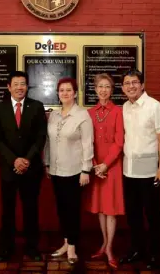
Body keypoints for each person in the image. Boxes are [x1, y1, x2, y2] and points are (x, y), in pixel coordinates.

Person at [0, 71, 47, 261]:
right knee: (8, 210)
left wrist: (27, 159)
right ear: (9, 87)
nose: (19, 87)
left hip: (31, 168)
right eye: (16, 84)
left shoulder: (37, 107)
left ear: (27, 86)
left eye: (23, 84)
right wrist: (14, 160)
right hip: (8, 168)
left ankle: (32, 247)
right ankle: (6, 247)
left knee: (31, 209)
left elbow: (41, 137)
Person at [119, 69, 160, 270]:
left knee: (153, 215)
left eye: (134, 82)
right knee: (133, 215)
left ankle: (155, 253)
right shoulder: (125, 107)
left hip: (149, 172)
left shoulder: (154, 106)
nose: (131, 86)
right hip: (129, 171)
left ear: (142, 85)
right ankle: (138, 249)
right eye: (127, 83)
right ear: (122, 88)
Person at [44, 77, 94, 264]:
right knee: (62, 209)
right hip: (56, 170)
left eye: (68, 90)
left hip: (75, 171)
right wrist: (47, 163)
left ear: (75, 93)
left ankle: (72, 248)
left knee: (72, 210)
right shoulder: (54, 115)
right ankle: (65, 242)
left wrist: (86, 170)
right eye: (61, 90)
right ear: (58, 93)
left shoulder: (82, 115)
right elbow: (49, 142)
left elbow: (87, 144)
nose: (65, 93)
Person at [85, 73, 124, 269]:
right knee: (100, 207)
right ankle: (103, 243)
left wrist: (105, 165)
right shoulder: (90, 112)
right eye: (100, 86)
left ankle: (109, 248)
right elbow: (87, 141)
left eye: (107, 86)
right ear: (95, 89)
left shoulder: (118, 111)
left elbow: (119, 142)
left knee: (111, 209)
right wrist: (94, 164)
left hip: (112, 166)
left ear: (112, 89)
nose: (103, 90)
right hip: (96, 167)